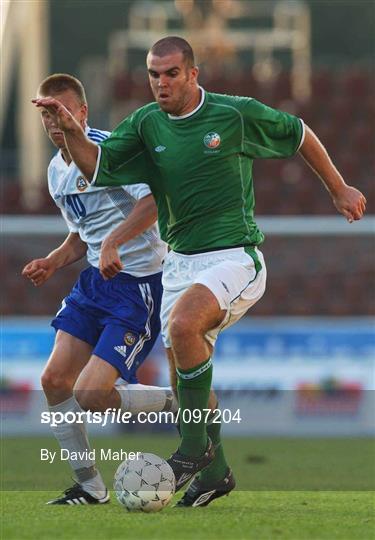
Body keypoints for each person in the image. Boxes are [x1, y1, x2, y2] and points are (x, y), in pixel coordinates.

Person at [33, 38, 366, 507]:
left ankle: (191, 449)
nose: (161, 83)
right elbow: (100, 168)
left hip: (234, 256)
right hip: (179, 267)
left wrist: (339, 187)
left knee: (185, 325)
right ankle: (215, 473)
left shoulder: (233, 114)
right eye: (153, 74)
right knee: (183, 372)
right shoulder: (145, 124)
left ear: (193, 74)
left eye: (171, 73)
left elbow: (299, 132)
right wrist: (71, 132)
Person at [24, 73, 177, 506]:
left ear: (83, 112)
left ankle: (177, 401)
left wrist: (115, 242)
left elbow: (154, 203)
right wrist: (53, 261)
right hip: (94, 283)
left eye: (62, 112)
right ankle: (90, 485)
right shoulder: (56, 170)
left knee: (91, 396)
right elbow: (82, 234)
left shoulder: (114, 150)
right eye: (47, 115)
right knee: (54, 380)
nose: (55, 123)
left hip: (138, 286)